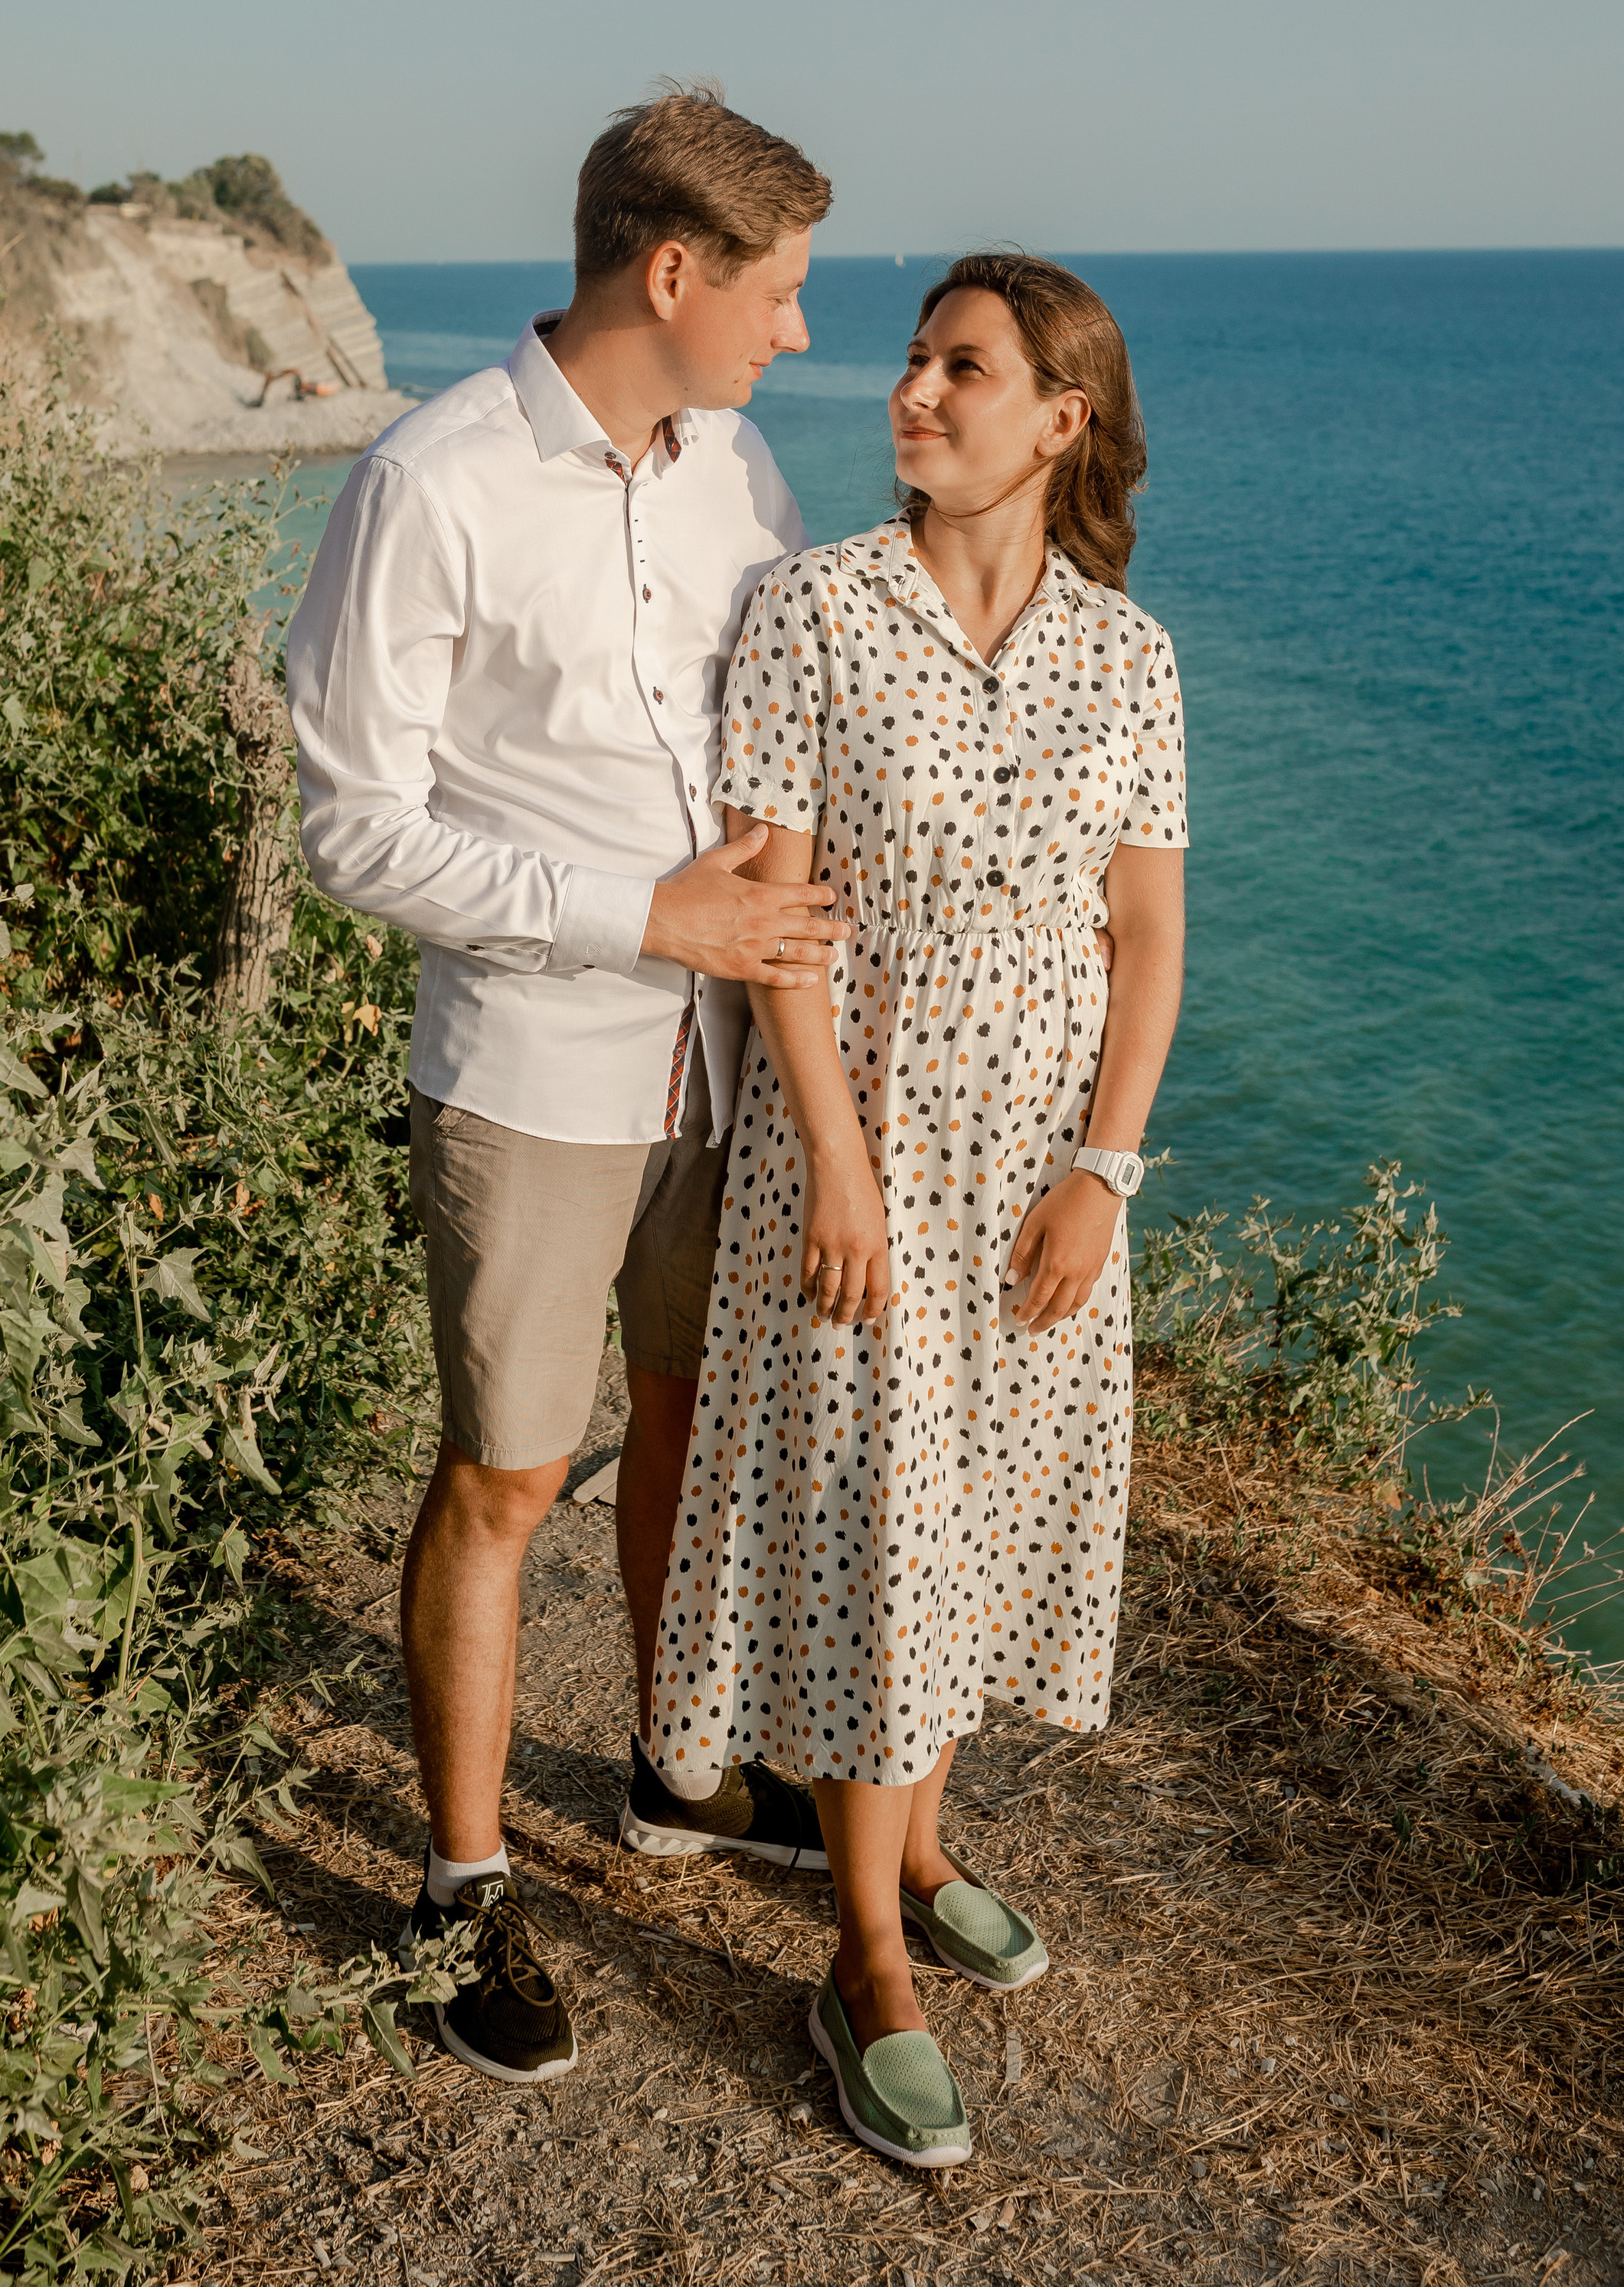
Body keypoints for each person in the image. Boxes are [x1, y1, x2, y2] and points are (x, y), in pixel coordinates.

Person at [285, 87, 845, 2086]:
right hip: (532, 1069)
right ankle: (458, 1887)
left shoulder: (742, 468)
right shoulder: (427, 482)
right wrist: (638, 915)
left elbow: (790, 720)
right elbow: (351, 831)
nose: (796, 329)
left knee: (685, 1419)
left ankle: (674, 1769)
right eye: (776, 290)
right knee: (509, 1477)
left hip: (725, 1066)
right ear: (671, 272)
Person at [650, 250, 1187, 2167]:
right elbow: (774, 918)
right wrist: (837, 1162)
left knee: (975, 1520)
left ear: (1058, 419)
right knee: (875, 1526)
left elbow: (1146, 935)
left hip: (1040, 1179)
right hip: (859, 1164)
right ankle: (861, 1957)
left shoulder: (1127, 654)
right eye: (909, 358)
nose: (912, 391)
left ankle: (924, 1845)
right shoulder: (813, 609)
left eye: (961, 367)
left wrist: (1102, 1173)